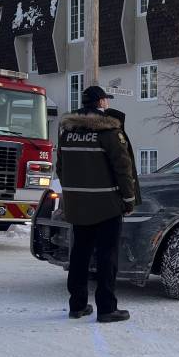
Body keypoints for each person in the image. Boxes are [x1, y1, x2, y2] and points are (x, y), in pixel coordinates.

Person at [56, 86, 138, 323]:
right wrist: (128, 198)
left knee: (79, 255)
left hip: (78, 205)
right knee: (107, 257)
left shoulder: (67, 133)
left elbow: (60, 168)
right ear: (101, 102)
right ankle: (106, 308)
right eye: (105, 101)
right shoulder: (109, 132)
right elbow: (123, 168)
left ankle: (77, 305)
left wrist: (74, 194)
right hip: (106, 205)